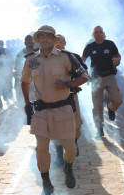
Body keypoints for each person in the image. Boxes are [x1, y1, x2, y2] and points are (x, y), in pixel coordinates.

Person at [21, 25, 88, 194]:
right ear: (38, 39)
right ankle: (46, 181)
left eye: (48, 36)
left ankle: (68, 167)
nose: (44, 39)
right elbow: (24, 81)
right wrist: (26, 102)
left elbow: (84, 76)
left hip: (63, 109)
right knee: (41, 147)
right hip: (41, 111)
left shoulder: (66, 57)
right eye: (41, 36)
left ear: (53, 39)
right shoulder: (30, 60)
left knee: (70, 147)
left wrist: (68, 84)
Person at [82, 26, 122, 137]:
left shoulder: (110, 44)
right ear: (93, 35)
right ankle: (99, 128)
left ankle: (111, 108)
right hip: (96, 78)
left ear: (104, 34)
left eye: (100, 32)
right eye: (96, 32)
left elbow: (118, 56)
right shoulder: (90, 47)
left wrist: (117, 61)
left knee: (117, 99)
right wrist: (85, 71)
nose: (99, 34)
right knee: (97, 105)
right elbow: (82, 60)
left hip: (109, 75)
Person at [54, 34, 88, 165]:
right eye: (55, 42)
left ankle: (74, 142)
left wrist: (69, 84)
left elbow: (85, 75)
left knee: (77, 124)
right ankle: (58, 154)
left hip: (70, 96)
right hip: (53, 99)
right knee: (54, 127)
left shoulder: (73, 57)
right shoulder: (46, 59)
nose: (58, 45)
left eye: (60, 42)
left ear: (65, 43)